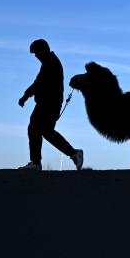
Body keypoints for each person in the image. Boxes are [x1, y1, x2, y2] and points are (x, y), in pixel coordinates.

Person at [18, 39, 83, 170]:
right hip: (50, 103)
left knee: (35, 129)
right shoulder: (50, 62)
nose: (36, 56)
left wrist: (25, 96)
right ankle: (74, 153)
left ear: (43, 50)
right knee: (46, 131)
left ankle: (36, 163)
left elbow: (38, 83)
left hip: (47, 104)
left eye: (36, 53)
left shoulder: (50, 63)